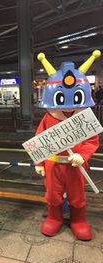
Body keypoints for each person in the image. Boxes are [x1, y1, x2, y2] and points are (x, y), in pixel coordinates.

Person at [35, 51, 100, 241]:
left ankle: (78, 220)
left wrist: (84, 155)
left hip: (76, 165)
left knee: (77, 195)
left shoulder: (84, 118)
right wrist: (39, 163)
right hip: (53, 164)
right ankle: (54, 217)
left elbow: (92, 140)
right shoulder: (48, 118)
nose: (68, 106)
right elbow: (40, 140)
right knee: (52, 194)